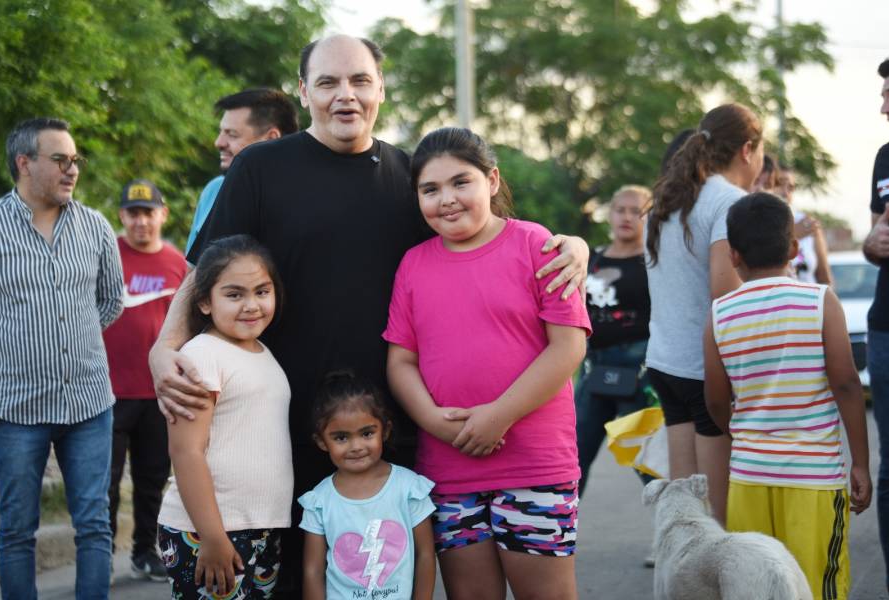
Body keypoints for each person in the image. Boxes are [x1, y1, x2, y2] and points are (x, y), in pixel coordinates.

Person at [150, 34, 589, 595]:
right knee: (296, 586)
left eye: (359, 80)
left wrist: (571, 244)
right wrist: (164, 347)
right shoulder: (260, 167)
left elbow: (485, 236)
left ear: (381, 87)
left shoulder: (410, 178)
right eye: (328, 82)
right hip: (282, 431)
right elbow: (207, 269)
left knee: (387, 585)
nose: (345, 96)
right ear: (305, 91)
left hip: (388, 436)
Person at [384, 127, 590, 600]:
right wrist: (434, 422)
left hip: (534, 466)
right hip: (450, 470)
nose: (447, 200)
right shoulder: (413, 265)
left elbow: (568, 347)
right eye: (430, 189)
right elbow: (401, 362)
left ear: (492, 181)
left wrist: (499, 415)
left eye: (461, 182)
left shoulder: (536, 245)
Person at [704, 192, 872, 599]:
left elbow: (714, 400)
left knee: (755, 588)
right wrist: (860, 464)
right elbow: (847, 384)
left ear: (735, 256)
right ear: (795, 249)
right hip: (813, 481)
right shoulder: (819, 302)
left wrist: (742, 435)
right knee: (816, 585)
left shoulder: (720, 313)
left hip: (748, 480)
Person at [0, 118, 124, 599]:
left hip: (89, 403)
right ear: (24, 163)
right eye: (60, 159)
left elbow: (111, 301)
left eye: (76, 160)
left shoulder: (95, 226)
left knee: (94, 525)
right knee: (15, 530)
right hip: (16, 408)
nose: (72, 169)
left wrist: (71, 340)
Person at [645, 103, 764, 524]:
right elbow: (724, 292)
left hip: (666, 361)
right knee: (716, 515)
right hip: (705, 369)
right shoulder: (729, 200)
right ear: (748, 150)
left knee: (687, 507)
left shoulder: (668, 198)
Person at [157, 235, 291, 598]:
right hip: (208, 531)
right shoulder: (201, 355)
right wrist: (212, 536)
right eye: (234, 295)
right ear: (203, 301)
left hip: (260, 527)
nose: (251, 305)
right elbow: (187, 452)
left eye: (262, 292)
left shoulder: (264, 353)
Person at [102, 179, 187, 580]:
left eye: (147, 213)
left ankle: (145, 551)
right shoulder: (106, 255)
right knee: (105, 480)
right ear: (122, 216)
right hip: (107, 392)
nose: (140, 222)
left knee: (152, 479)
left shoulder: (176, 262)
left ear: (162, 215)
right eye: (133, 214)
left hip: (157, 392)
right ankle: (97, 553)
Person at [300, 371, 436, 599]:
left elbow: (425, 555)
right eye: (341, 437)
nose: (356, 446)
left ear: (385, 431)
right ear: (322, 442)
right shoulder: (319, 501)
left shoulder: (409, 488)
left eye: (366, 433)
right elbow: (312, 570)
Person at [576, 184, 653, 495]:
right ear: (610, 213)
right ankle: (557, 536)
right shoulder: (591, 259)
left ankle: (683, 532)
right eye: (621, 209)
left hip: (638, 367)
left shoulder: (653, 261)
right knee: (573, 457)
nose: (627, 217)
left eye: (637, 211)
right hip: (594, 366)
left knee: (648, 464)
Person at [185, 88, 299, 253]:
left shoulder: (305, 197)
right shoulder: (214, 190)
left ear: (271, 139)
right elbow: (193, 272)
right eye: (221, 132)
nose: (218, 142)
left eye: (232, 134)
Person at [863, 53, 889, 600]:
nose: (886, 106)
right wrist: (872, 245)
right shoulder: (885, 157)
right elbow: (873, 235)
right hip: (888, 329)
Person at [774, 164, 833, 285]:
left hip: (809, 301)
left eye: (790, 187)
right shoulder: (757, 223)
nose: (785, 193)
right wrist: (792, 235)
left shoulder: (807, 224)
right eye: (779, 184)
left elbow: (824, 276)